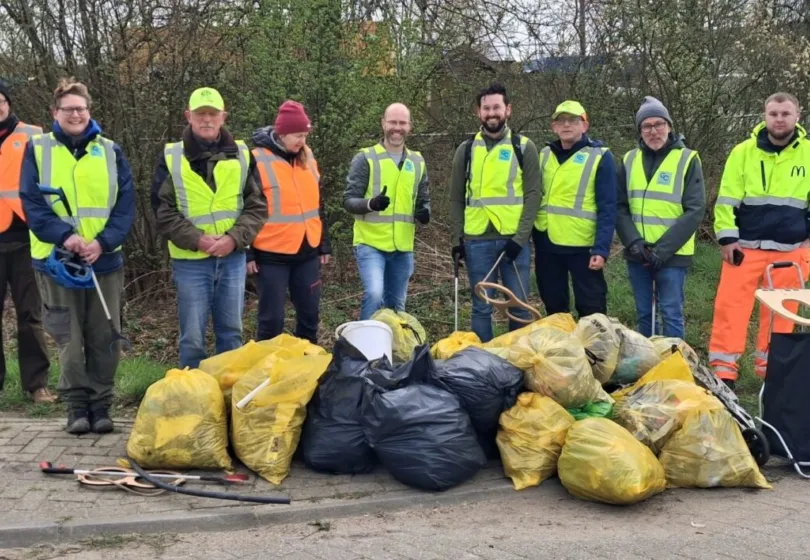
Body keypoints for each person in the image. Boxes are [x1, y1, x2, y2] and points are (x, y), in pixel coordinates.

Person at [20, 78, 135, 434]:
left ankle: (101, 406)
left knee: (104, 337)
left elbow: (125, 205)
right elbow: (32, 203)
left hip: (104, 261)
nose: (75, 115)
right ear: (55, 112)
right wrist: (65, 237)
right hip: (57, 263)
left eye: (81, 109)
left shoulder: (111, 151)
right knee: (68, 339)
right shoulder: (37, 149)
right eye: (68, 109)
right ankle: (76, 407)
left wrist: (103, 242)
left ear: (89, 111)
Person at [151, 87, 266, 369]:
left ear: (223, 116)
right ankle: (192, 390)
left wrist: (233, 239)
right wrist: (197, 239)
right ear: (188, 116)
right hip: (190, 261)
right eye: (200, 113)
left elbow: (257, 206)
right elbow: (162, 211)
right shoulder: (171, 156)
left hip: (232, 258)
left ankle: (227, 389)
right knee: (192, 337)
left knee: (232, 333)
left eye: (212, 114)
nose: (206, 119)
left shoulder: (242, 154)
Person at [709, 92, 810, 389]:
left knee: (781, 315)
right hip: (745, 249)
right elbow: (726, 200)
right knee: (730, 310)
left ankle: (772, 372)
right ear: (764, 116)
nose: (779, 119)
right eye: (773, 113)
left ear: (797, 116)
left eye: (785, 113)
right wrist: (727, 239)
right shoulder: (743, 152)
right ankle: (724, 373)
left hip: (791, 251)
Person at [449, 83, 541, 342]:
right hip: (476, 241)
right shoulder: (466, 150)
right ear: (478, 112)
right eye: (486, 108)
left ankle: (516, 359)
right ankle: (483, 360)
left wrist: (520, 239)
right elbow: (456, 198)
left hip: (513, 241)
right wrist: (456, 240)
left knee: (519, 306)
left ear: (508, 110)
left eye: (496, 107)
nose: (492, 113)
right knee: (481, 307)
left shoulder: (524, 147)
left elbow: (533, 195)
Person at [616, 96, 706, 339]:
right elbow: (619, 206)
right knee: (644, 313)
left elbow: (695, 209)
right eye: (647, 126)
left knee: (671, 313)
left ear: (669, 126)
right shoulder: (629, 159)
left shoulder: (687, 159)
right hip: (638, 253)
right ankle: (647, 357)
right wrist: (634, 243)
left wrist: (662, 251)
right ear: (639, 131)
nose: (653, 131)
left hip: (672, 255)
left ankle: (674, 358)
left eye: (659, 124)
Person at [249, 100, 331, 344]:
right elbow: (246, 209)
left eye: (305, 135)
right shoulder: (257, 160)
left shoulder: (308, 157)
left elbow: (316, 203)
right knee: (271, 320)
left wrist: (323, 242)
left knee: (309, 316)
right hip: (271, 255)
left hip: (307, 252)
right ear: (281, 133)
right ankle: (267, 363)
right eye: (297, 135)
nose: (302, 141)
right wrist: (248, 252)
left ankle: (308, 361)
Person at [343, 103, 430, 320]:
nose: (397, 128)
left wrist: (424, 212)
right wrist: (371, 204)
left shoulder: (417, 161)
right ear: (383, 123)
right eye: (392, 122)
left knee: (397, 307)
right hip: (370, 244)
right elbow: (348, 200)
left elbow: (423, 199)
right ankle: (364, 340)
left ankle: (392, 342)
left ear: (410, 126)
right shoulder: (365, 158)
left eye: (402, 123)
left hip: (403, 247)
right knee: (374, 294)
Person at [533, 100, 617, 318]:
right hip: (547, 243)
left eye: (573, 120)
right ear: (553, 127)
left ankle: (593, 341)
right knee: (553, 305)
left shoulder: (600, 156)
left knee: (591, 306)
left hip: (583, 245)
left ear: (585, 125)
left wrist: (601, 248)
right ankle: (561, 339)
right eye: (561, 120)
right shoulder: (544, 155)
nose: (566, 125)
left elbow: (608, 207)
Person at [0, 83, 54, 403]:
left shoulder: (34, 135)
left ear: (9, 103)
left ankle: (36, 385)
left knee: (30, 316)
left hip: (26, 240)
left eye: (0, 100)